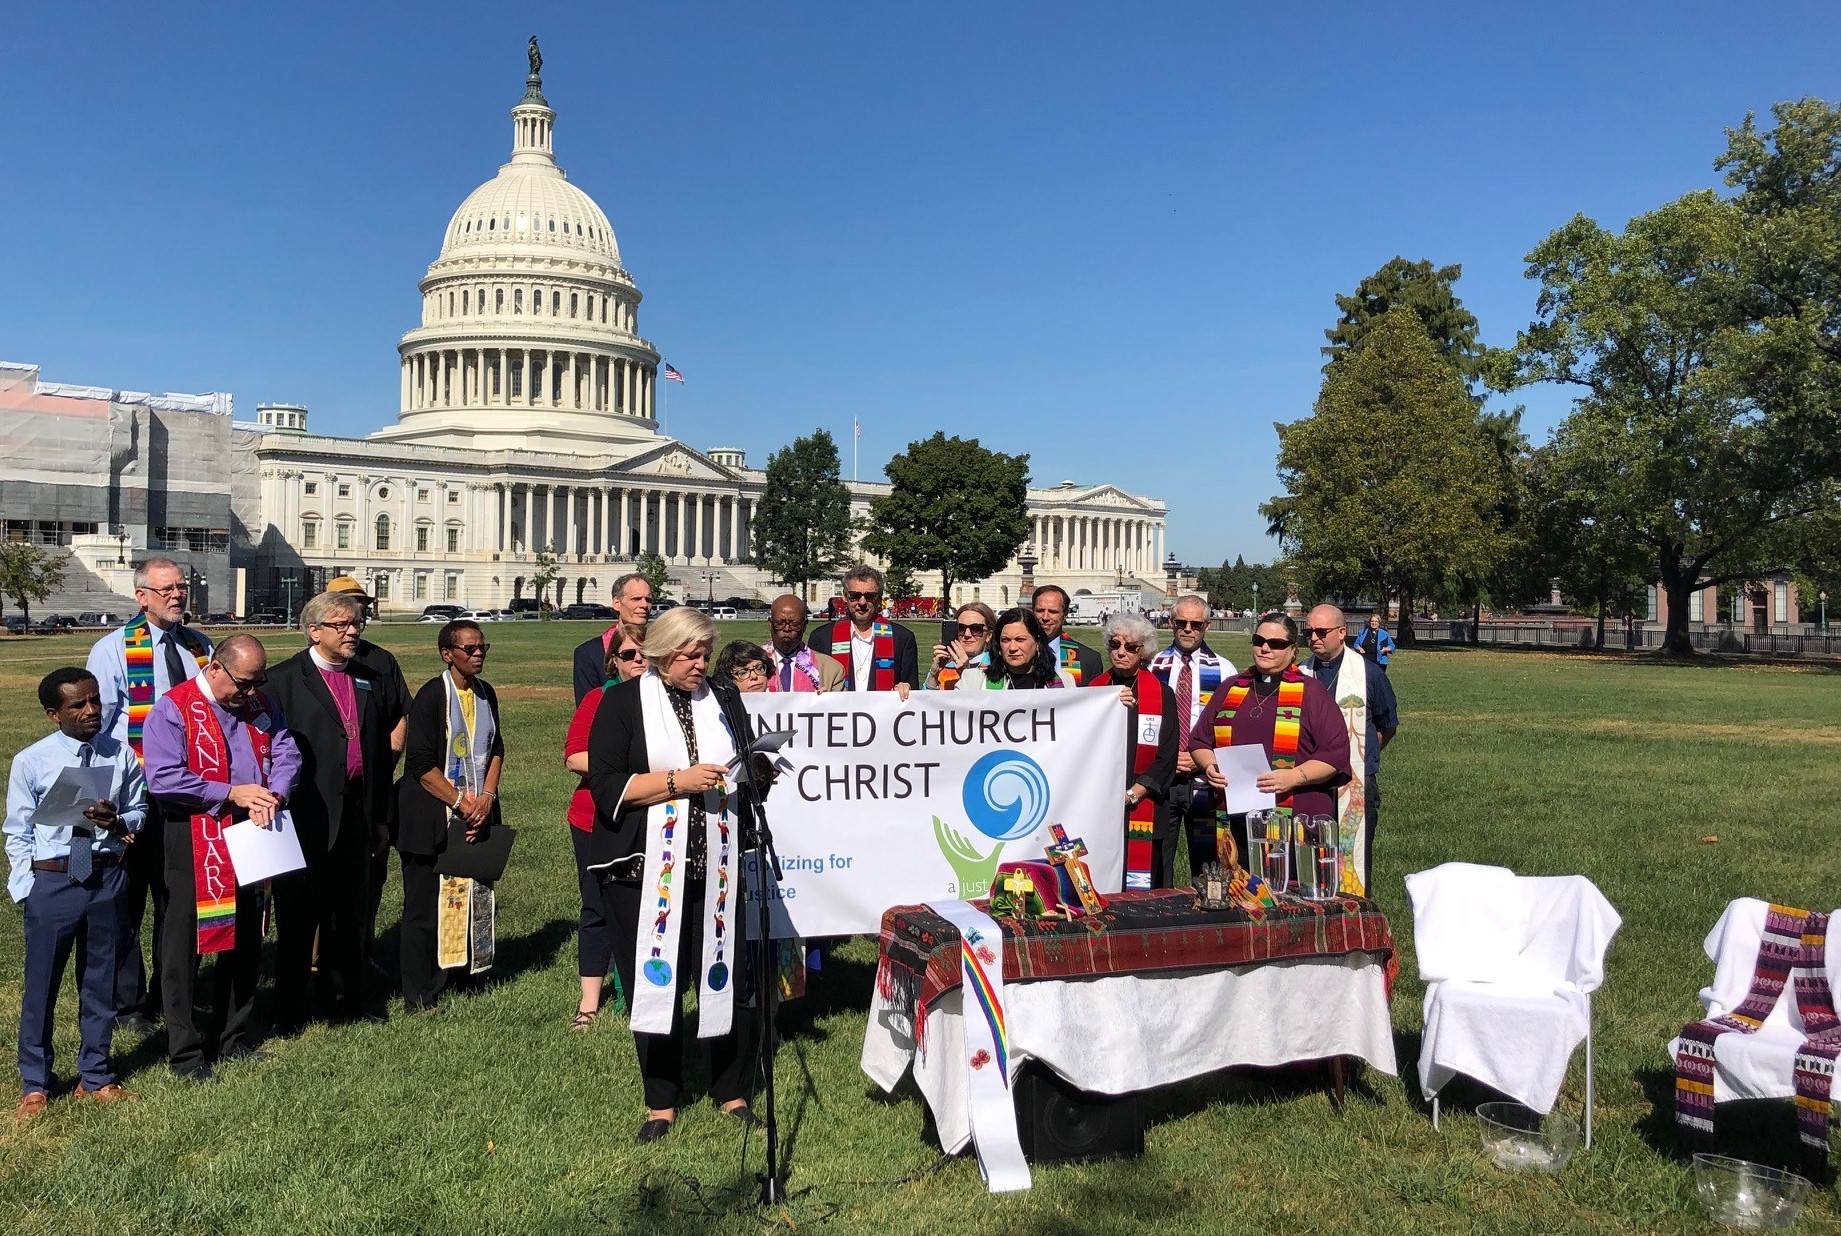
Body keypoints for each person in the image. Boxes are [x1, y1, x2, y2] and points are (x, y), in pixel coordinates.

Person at [585, 607, 763, 1143]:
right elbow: (606, 785)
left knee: (722, 977)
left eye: (706, 653)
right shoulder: (621, 701)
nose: (701, 664)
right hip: (645, 871)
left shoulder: (723, 698)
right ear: (662, 653)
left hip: (718, 864)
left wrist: (758, 771)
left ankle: (730, 1089)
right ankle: (660, 1102)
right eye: (691, 654)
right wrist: (676, 782)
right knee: (654, 984)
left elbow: (741, 758)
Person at [143, 635, 301, 1080]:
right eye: (244, 683)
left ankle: (231, 1038)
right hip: (194, 832)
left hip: (254, 829)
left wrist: (277, 791)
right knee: (186, 944)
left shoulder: (258, 704)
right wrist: (230, 793)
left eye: (258, 683)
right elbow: (164, 778)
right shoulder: (173, 708)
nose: (252, 693)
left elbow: (286, 750)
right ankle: (186, 1051)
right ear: (215, 668)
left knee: (248, 935)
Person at [7, 668, 148, 1118]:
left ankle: (96, 1074)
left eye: (95, 701)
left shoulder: (119, 754)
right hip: (54, 880)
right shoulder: (33, 761)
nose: (91, 711)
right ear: (54, 714)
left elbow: (140, 807)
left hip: (105, 878)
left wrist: (121, 821)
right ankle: (35, 1082)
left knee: (100, 980)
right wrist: (28, 886)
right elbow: (17, 830)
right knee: (42, 984)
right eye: (77, 705)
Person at [85, 556, 213, 1036]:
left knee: (178, 899)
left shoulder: (201, 646)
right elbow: (99, 729)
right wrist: (111, 799)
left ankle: (171, 991)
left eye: (182, 587)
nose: (178, 595)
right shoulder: (114, 649)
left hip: (189, 794)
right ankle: (128, 1002)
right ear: (141, 597)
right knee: (126, 900)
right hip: (134, 796)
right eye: (166, 590)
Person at [265, 592, 397, 1031]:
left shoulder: (369, 677)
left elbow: (378, 751)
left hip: (358, 811)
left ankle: (345, 1001)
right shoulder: (282, 680)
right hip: (305, 814)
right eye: (341, 625)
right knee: (299, 915)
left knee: (352, 912)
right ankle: (288, 1009)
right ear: (314, 630)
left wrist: (380, 817)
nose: (352, 631)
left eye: (356, 623)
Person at [396, 620, 506, 1012]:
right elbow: (421, 766)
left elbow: (496, 749)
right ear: (447, 654)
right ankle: (419, 991)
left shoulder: (485, 693)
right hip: (430, 816)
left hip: (476, 811)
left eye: (482, 647)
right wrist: (462, 804)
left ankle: (465, 973)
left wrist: (487, 798)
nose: (478, 654)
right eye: (469, 649)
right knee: (424, 907)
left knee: (473, 897)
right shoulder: (430, 696)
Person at [1187, 613, 1350, 872]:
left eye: (1276, 644)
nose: (1265, 648)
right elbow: (1199, 740)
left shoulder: (1311, 692)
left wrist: (1294, 776)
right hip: (1235, 814)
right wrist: (1209, 766)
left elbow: (1335, 754)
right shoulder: (1231, 688)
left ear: (1293, 650)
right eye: (1259, 640)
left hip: (1294, 817)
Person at [323, 575, 410, 969]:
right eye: (345, 608)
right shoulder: (310, 663)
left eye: (359, 608)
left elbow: (399, 716)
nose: (355, 617)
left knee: (370, 876)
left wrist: (384, 760)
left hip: (369, 793)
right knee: (322, 879)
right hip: (324, 795)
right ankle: (317, 956)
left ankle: (362, 951)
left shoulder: (380, 661)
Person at [563, 623, 646, 1029]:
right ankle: (589, 1002)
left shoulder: (665, 702)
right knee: (597, 905)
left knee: (645, 907)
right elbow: (574, 756)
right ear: (613, 660)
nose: (638, 662)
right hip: (594, 816)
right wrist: (624, 774)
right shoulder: (598, 699)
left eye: (645, 654)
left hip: (648, 815)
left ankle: (642, 994)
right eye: (628, 655)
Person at [1302, 604, 1399, 897]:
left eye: (1322, 631)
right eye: (1309, 632)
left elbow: (1387, 723)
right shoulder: (1300, 674)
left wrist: (1361, 756)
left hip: (1354, 781)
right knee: (1309, 861)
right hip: (1308, 783)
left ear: (1342, 633)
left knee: (1352, 861)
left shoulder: (1368, 674)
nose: (1314, 638)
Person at [1149, 594, 1239, 870]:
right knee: (1158, 858)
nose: (1188, 629)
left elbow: (1230, 727)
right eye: (1181, 622)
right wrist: (1169, 757)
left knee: (1209, 861)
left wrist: (1200, 758)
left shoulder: (1224, 669)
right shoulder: (1152, 665)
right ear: (1171, 623)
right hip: (1163, 777)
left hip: (1205, 779)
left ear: (1207, 626)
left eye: (1196, 624)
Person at [1090, 613, 1180, 889]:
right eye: (1115, 644)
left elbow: (1167, 756)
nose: (1121, 652)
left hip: (1143, 803)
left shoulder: (1160, 694)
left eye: (1130, 647)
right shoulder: (1094, 689)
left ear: (1143, 652)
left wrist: (1133, 794)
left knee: (1141, 882)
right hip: (1099, 802)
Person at [811, 565, 919, 691]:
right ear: (845, 596)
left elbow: (913, 692)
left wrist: (905, 689)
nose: (862, 602)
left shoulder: (903, 639)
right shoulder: (821, 638)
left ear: (879, 598)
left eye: (869, 596)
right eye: (855, 595)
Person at [574, 573, 655, 703]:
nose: (644, 605)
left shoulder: (662, 648)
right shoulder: (589, 654)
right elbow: (587, 711)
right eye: (636, 599)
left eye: (648, 599)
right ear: (617, 603)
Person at [954, 609, 1075, 690]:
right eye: (1006, 640)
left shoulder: (1065, 682)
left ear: (1037, 642)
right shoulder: (972, 681)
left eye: (1020, 640)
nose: (1012, 648)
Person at [763, 595, 845, 693]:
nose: (787, 629)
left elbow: (839, 707)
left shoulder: (831, 670)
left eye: (795, 624)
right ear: (770, 624)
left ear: (804, 625)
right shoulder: (750, 664)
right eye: (780, 623)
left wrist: (825, 702)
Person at [1031, 585, 1102, 685]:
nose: (1045, 617)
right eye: (1040, 611)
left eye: (1053, 611)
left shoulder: (1089, 660)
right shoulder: (1015, 652)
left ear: (1065, 614)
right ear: (1033, 611)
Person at [925, 601, 997, 690]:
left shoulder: (995, 667)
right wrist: (934, 675)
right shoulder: (945, 665)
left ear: (989, 636)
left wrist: (967, 672)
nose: (967, 634)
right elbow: (927, 702)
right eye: (961, 628)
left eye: (976, 628)